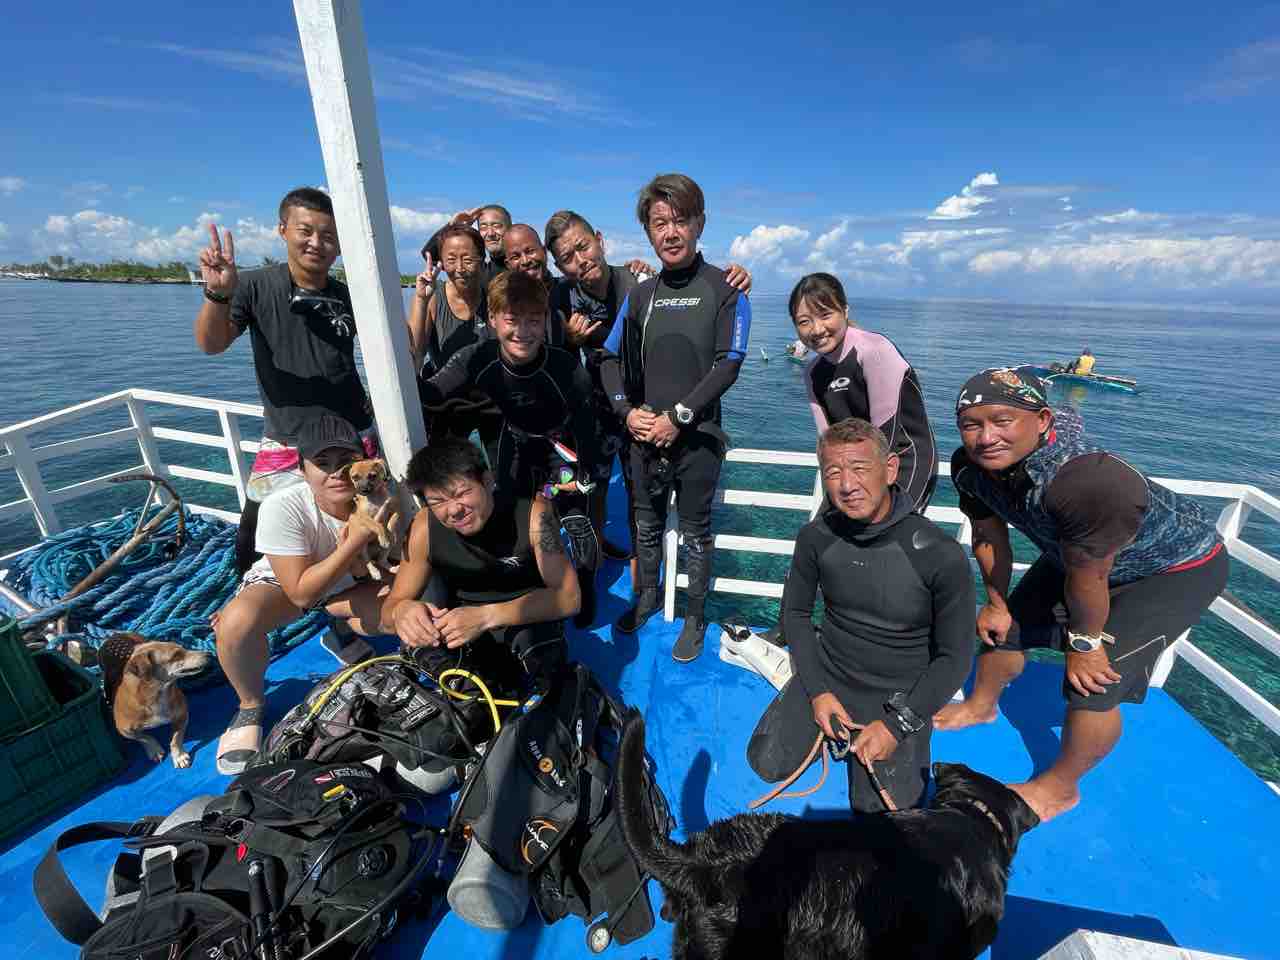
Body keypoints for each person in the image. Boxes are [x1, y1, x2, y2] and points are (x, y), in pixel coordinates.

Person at [935, 366, 1228, 822]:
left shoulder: (1087, 481)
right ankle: (980, 706)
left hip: (1172, 570)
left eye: (1002, 421)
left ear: (1042, 421)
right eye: (971, 425)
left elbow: (1091, 576)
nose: (986, 437)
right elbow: (989, 535)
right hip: (1078, 558)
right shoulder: (970, 469)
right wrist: (996, 603)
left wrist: (1085, 644)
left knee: (1092, 682)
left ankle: (1060, 788)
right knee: (1006, 629)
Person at [755, 418, 974, 813]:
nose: (847, 485)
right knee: (766, 761)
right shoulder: (816, 537)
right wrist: (817, 692)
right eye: (833, 472)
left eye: (860, 468)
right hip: (831, 673)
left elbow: (955, 658)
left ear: (890, 469)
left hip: (898, 696)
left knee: (880, 815)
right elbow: (797, 615)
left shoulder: (939, 555)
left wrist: (898, 725)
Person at [599, 173, 751, 660]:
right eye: (659, 223)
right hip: (645, 434)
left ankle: (694, 616)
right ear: (648, 231)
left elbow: (730, 361)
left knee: (695, 532)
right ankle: (646, 599)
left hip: (698, 436)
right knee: (645, 525)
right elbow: (607, 358)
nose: (670, 232)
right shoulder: (640, 295)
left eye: (680, 221)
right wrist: (626, 412)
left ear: (699, 223)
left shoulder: (725, 287)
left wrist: (679, 416)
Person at [195, 187, 374, 575]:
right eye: (305, 231)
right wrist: (217, 295)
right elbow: (212, 344)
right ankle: (251, 587)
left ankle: (346, 592)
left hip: (351, 436)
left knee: (361, 524)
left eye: (328, 235)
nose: (317, 243)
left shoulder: (349, 296)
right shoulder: (254, 285)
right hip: (287, 437)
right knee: (253, 531)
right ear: (282, 230)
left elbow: (390, 349)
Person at [418, 270, 603, 626]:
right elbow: (430, 395)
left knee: (576, 522)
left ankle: (585, 586)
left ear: (546, 321)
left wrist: (585, 476)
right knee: (518, 526)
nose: (523, 331)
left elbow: (587, 428)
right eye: (512, 319)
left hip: (560, 453)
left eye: (534, 320)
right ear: (491, 319)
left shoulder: (565, 367)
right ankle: (530, 589)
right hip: (513, 447)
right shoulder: (477, 357)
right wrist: (415, 326)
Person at [212, 415, 389, 775]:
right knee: (235, 624)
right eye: (322, 463)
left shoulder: (381, 499)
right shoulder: (283, 505)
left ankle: (340, 631)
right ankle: (250, 705)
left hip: (349, 581)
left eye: (345, 461)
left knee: (397, 612)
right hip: (290, 584)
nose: (336, 472)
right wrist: (356, 537)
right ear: (302, 470)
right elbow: (301, 595)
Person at [380, 436, 579, 690]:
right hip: (463, 626)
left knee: (548, 671)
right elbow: (389, 612)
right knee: (440, 671)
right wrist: (402, 612)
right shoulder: (423, 527)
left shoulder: (534, 515)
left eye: (462, 493)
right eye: (438, 502)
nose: (454, 510)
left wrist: (485, 616)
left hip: (526, 616)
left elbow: (569, 598)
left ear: (487, 480)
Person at [790, 273, 938, 512]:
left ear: (845, 311)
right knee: (824, 530)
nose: (816, 329)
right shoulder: (813, 372)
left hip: (904, 461)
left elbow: (885, 433)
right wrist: (837, 484)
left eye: (825, 315)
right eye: (804, 321)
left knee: (891, 533)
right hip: (855, 467)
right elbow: (827, 440)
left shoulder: (873, 351)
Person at [409, 223, 502, 463]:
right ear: (441, 263)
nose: (459, 268)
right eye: (451, 260)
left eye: (468, 260)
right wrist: (421, 299)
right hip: (447, 402)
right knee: (444, 470)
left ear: (482, 260)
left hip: (490, 399)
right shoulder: (433, 298)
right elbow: (415, 355)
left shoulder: (494, 296)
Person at [445, 204, 512, 284]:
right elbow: (433, 255)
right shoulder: (479, 274)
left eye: (496, 226)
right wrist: (454, 229)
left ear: (509, 228)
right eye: (483, 227)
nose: (490, 233)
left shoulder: (522, 266)